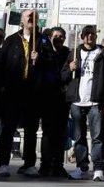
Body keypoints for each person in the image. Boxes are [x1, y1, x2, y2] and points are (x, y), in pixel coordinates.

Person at [61, 25, 104, 181]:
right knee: (78, 137)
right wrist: (69, 69)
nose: (90, 36)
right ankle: (82, 168)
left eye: (92, 34)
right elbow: (63, 76)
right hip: (77, 102)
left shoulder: (103, 54)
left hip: (95, 102)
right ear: (82, 36)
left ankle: (98, 168)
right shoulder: (74, 53)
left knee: (97, 136)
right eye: (87, 34)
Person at [0, 9, 41, 177]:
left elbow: (51, 65)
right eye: (29, 16)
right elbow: (1, 65)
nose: (32, 18)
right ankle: (3, 164)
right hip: (13, 92)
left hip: (33, 93)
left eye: (35, 17)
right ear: (22, 21)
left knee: (31, 130)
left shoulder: (41, 41)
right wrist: (1, 88)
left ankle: (29, 164)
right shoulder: (11, 40)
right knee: (8, 128)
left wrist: (39, 59)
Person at [37, 26, 70, 177]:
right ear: (50, 37)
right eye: (55, 36)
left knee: (60, 132)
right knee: (48, 133)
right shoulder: (44, 52)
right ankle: (45, 164)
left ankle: (58, 165)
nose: (58, 39)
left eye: (61, 36)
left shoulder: (68, 53)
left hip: (63, 98)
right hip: (47, 97)